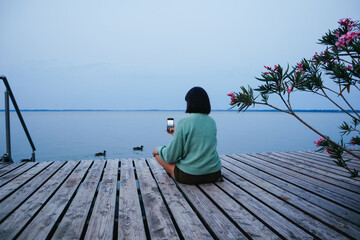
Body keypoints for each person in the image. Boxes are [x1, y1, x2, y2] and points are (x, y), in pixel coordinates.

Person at [153, 87, 222, 184]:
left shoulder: (184, 122)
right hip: (214, 174)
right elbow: (196, 143)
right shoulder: (211, 121)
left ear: (189, 103)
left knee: (157, 155)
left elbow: (170, 156)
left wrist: (158, 149)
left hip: (190, 176)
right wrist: (175, 133)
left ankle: (162, 160)